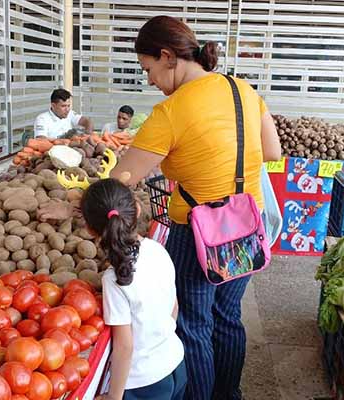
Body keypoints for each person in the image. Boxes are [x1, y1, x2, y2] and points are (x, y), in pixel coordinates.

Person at [106, 16, 281, 400]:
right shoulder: (244, 90)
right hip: (247, 228)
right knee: (228, 318)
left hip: (198, 233)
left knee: (194, 324)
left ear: (168, 57)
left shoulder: (171, 112)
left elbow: (121, 179)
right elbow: (272, 151)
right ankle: (229, 394)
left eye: (148, 69)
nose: (150, 80)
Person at [82, 179, 186, 400]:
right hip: (175, 362)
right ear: (137, 210)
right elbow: (173, 307)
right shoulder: (158, 249)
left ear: (91, 230)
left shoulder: (114, 280)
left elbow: (124, 347)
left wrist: (114, 397)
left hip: (144, 384)